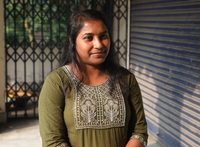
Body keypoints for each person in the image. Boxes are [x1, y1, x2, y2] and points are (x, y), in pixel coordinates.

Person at [39, 9, 148, 147]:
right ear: (72, 41)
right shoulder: (57, 82)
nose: (99, 44)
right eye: (88, 38)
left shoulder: (126, 79)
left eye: (103, 36)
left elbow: (139, 131)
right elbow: (52, 141)